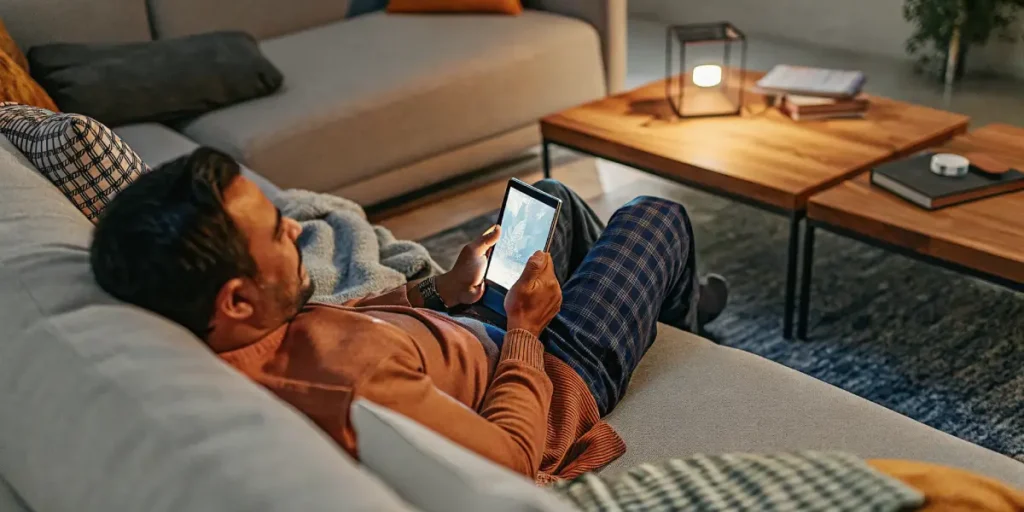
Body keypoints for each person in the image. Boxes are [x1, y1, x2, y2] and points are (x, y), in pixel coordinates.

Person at [90, 147, 728, 481]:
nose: (293, 226)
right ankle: (680, 312)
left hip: (475, 325)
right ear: (235, 299)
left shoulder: (241, 329)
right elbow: (507, 459)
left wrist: (439, 291)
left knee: (551, 197)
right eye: (276, 235)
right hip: (550, 374)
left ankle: (660, 300)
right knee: (656, 217)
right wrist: (529, 330)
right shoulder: (348, 386)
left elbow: (347, 325)